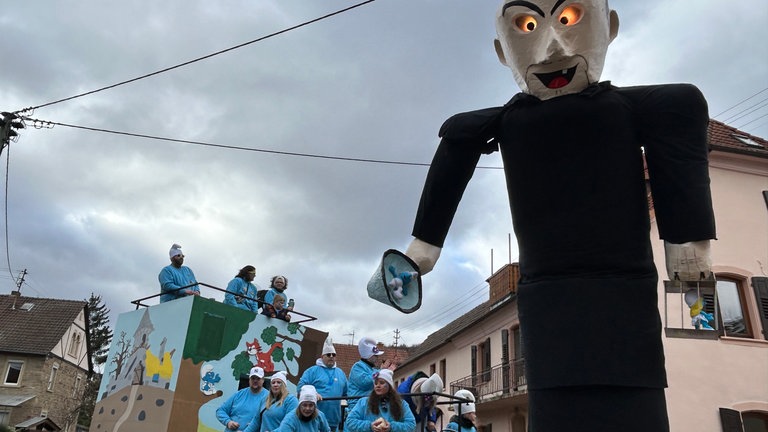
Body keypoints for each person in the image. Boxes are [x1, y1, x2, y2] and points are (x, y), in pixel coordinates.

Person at [378, 0, 716, 430]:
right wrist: (422, 248)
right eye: (527, 24)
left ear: (609, 27)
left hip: (624, 294)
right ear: (503, 50)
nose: (551, 49)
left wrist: (687, 239)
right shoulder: (508, 122)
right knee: (558, 411)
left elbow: (680, 106)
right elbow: (458, 140)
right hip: (550, 302)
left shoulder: (630, 110)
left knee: (635, 407)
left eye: (569, 19)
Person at [297, 339, 348, 431]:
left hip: (334, 421)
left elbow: (347, 393)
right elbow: (300, 387)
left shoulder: (341, 373)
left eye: (334, 355)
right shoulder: (312, 371)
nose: (331, 357)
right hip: (315, 420)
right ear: (322, 356)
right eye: (328, 354)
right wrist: (313, 393)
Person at [345, 369, 416, 432]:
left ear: (389, 385)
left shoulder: (401, 404)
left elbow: (411, 424)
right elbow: (350, 421)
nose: (377, 386)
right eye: (376, 383)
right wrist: (369, 426)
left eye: (381, 383)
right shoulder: (363, 402)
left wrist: (392, 427)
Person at [346, 337, 395, 414]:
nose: (377, 358)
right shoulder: (357, 367)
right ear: (369, 356)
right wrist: (381, 371)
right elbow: (365, 383)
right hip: (357, 406)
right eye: (375, 355)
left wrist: (387, 373)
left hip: (369, 405)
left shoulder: (373, 370)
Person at [216, 366, 268, 432]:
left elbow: (271, 421)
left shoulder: (269, 398)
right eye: (253, 378)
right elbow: (220, 410)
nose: (255, 381)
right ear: (249, 379)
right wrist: (228, 422)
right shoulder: (239, 394)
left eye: (258, 378)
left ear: (263, 380)